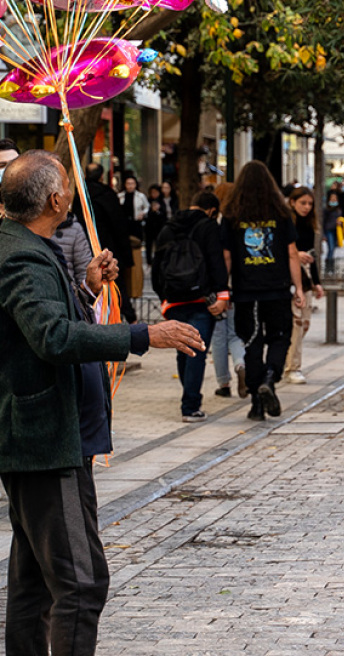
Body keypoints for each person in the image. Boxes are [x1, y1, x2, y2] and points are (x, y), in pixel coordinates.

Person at [0, 150, 203, 656]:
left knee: (35, 584)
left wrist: (87, 288)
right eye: (67, 183)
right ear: (55, 198)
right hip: (46, 441)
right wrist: (141, 334)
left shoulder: (28, 244)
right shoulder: (20, 252)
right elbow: (51, 337)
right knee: (81, 583)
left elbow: (48, 319)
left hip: (47, 439)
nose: (72, 190)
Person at [220, 161, 306, 421]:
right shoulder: (281, 213)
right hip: (277, 289)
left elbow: (226, 257)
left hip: (246, 291)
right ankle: (271, 377)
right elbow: (292, 253)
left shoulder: (232, 215)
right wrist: (299, 287)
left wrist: (224, 288)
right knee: (280, 338)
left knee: (251, 343)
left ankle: (257, 404)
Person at [153, 191, 231, 422]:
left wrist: (162, 296)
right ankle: (190, 406)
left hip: (174, 300)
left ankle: (188, 397)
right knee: (196, 350)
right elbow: (216, 261)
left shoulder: (168, 227)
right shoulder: (209, 227)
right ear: (212, 210)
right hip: (201, 299)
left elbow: (157, 265)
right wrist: (222, 294)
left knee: (182, 347)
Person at [76, 162, 137, 324]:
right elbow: (119, 225)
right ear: (102, 176)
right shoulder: (106, 195)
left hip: (84, 248)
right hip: (109, 248)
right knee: (116, 285)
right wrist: (125, 255)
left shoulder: (79, 195)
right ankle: (125, 318)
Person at [285, 187, 325, 385]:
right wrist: (295, 255)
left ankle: (288, 361)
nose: (306, 207)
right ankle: (293, 366)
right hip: (291, 279)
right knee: (297, 324)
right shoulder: (286, 222)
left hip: (307, 278)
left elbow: (312, 255)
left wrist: (317, 282)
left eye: (310, 204)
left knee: (304, 324)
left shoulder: (309, 224)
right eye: (303, 203)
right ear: (292, 202)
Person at [210, 183, 247, 399]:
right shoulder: (240, 222)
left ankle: (223, 383)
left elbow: (223, 257)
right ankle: (241, 363)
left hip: (221, 284)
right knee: (235, 333)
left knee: (219, 335)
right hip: (240, 285)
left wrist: (221, 287)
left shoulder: (216, 224)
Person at [322, 189, 342, 273]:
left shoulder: (338, 210)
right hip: (329, 230)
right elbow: (323, 221)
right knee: (331, 248)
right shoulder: (327, 210)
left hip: (336, 230)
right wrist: (323, 235)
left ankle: (330, 265)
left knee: (333, 248)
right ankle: (329, 266)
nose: (333, 200)